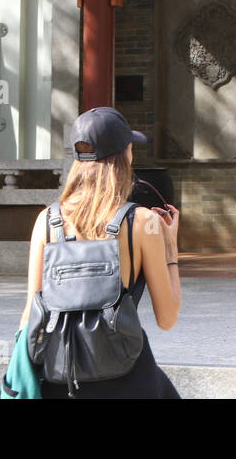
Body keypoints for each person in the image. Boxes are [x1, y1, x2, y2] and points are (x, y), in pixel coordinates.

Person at [20, 106, 182, 398]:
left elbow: (30, 315)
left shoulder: (46, 221)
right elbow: (167, 319)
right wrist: (171, 248)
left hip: (62, 377)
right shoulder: (142, 222)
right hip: (128, 376)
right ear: (126, 155)